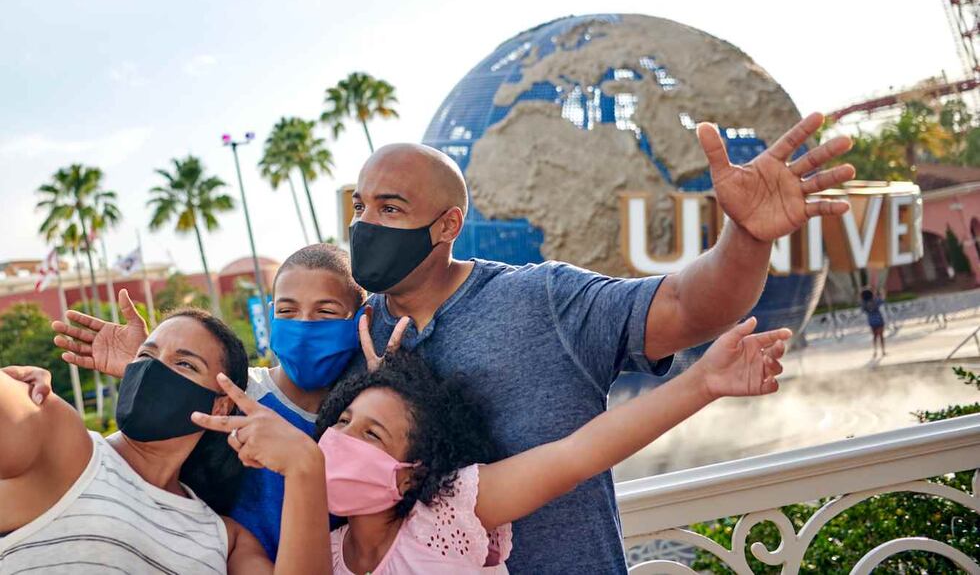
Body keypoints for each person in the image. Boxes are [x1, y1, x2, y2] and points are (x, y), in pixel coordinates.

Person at [341, 112, 852, 573]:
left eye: (390, 209)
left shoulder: (542, 299)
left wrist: (747, 235)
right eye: (361, 206)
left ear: (449, 224)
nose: (365, 224)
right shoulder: (352, 335)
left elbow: (688, 308)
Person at [195, 316, 790, 574]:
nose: (341, 440)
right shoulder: (320, 554)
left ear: (410, 472)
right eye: (341, 420)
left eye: (371, 432)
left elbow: (578, 453)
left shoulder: (448, 510)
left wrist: (703, 382)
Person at [52, 243, 407, 560]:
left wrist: (387, 389)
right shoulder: (232, 393)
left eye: (325, 312)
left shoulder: (359, 422)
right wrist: (149, 366)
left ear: (363, 319)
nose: (304, 324)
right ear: (271, 315)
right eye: (287, 310)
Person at [0, 308, 329, 573]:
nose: (153, 372)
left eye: (184, 364)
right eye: (146, 357)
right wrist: (16, 391)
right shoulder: (65, 446)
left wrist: (306, 467)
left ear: (220, 404)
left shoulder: (224, 538)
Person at [860, 286, 887, 357]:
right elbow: (883, 300)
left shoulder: (864, 303)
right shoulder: (876, 301)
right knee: (881, 336)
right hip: (879, 319)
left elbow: (862, 310)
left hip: (871, 320)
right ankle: (883, 351)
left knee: (874, 336)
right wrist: (881, 291)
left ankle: (875, 351)